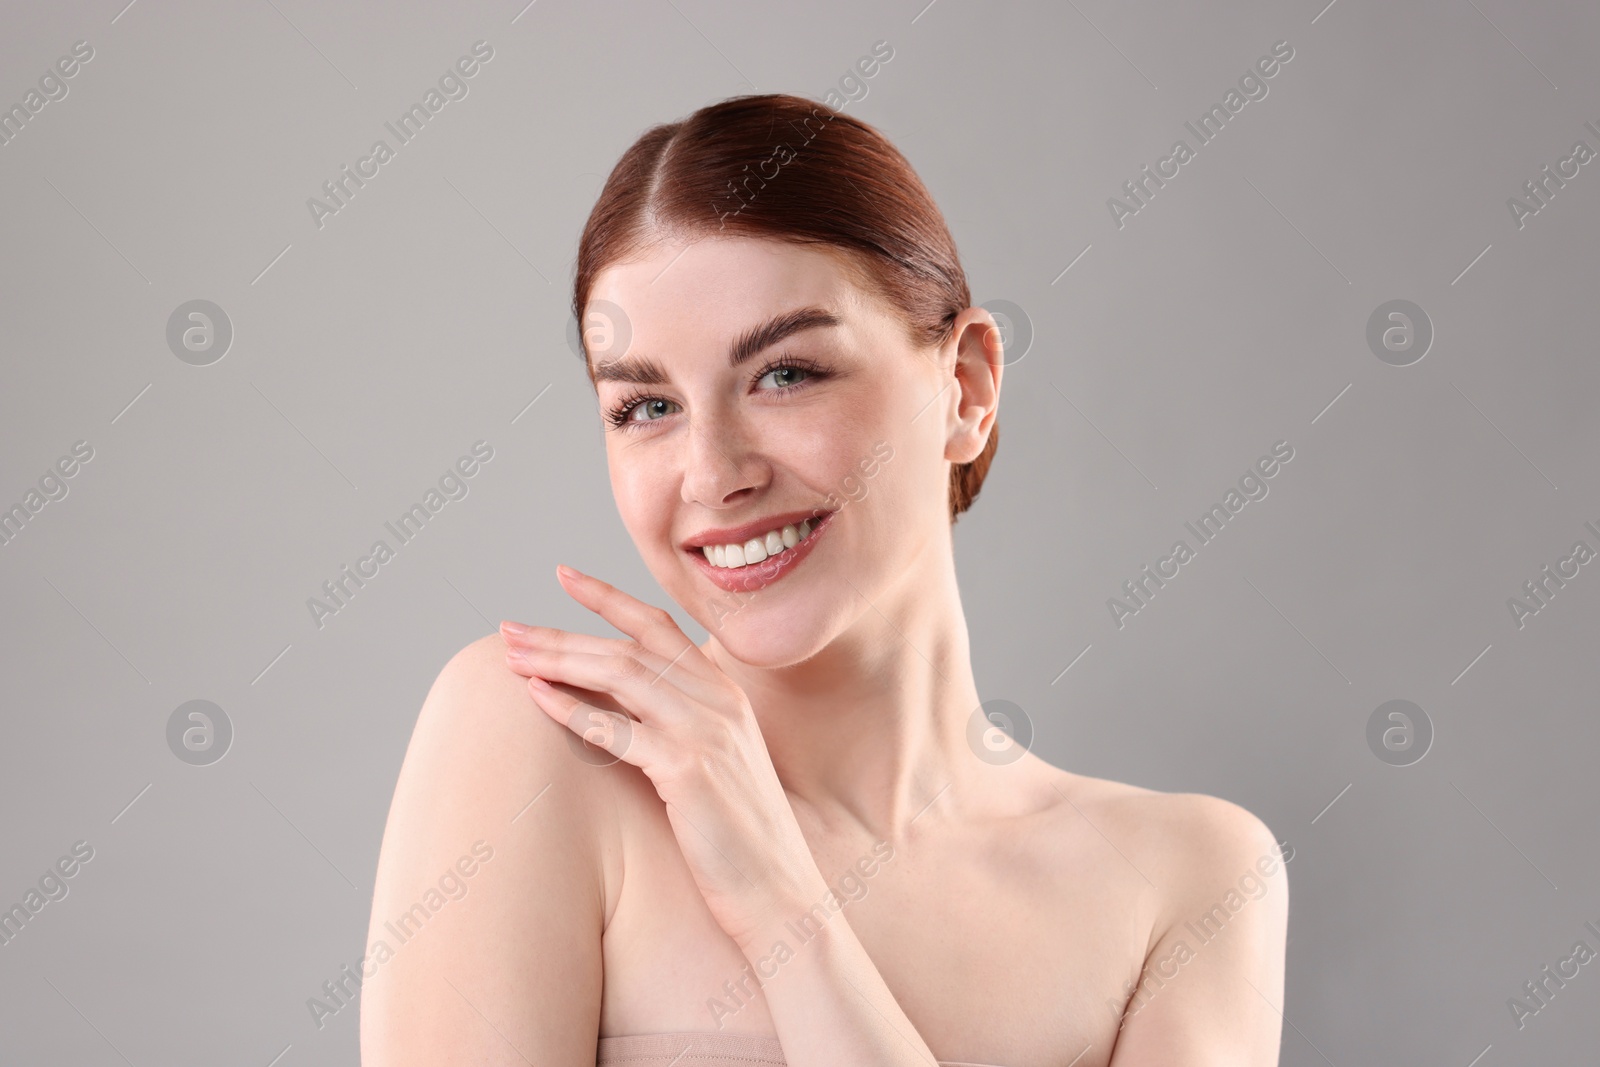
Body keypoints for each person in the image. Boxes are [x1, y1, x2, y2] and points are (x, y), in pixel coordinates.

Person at [359, 93, 1288, 1067]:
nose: (714, 473)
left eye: (787, 373)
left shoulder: (1184, 881)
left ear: (964, 388)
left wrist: (778, 899)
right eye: (645, 406)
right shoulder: (545, 743)